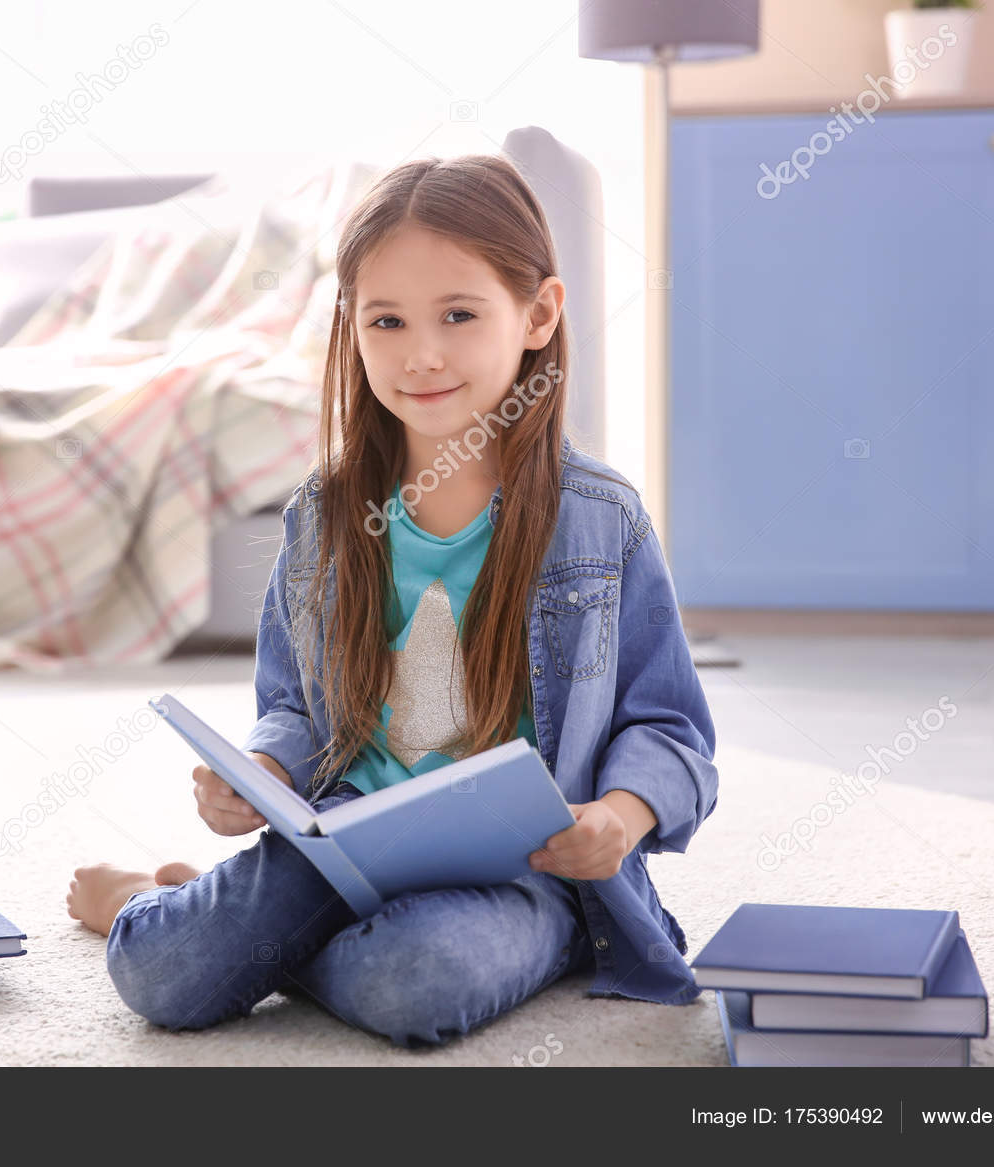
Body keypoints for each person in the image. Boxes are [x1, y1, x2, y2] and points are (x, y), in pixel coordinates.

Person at [66, 151, 718, 1049]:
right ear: (352, 328)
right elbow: (292, 706)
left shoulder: (600, 519)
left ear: (538, 314)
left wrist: (618, 817)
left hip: (521, 873)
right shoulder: (326, 516)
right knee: (156, 975)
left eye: (459, 314)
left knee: (416, 981)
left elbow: (671, 728)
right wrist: (264, 777)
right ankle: (154, 903)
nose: (422, 353)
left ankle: (239, 934)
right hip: (345, 842)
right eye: (387, 320)